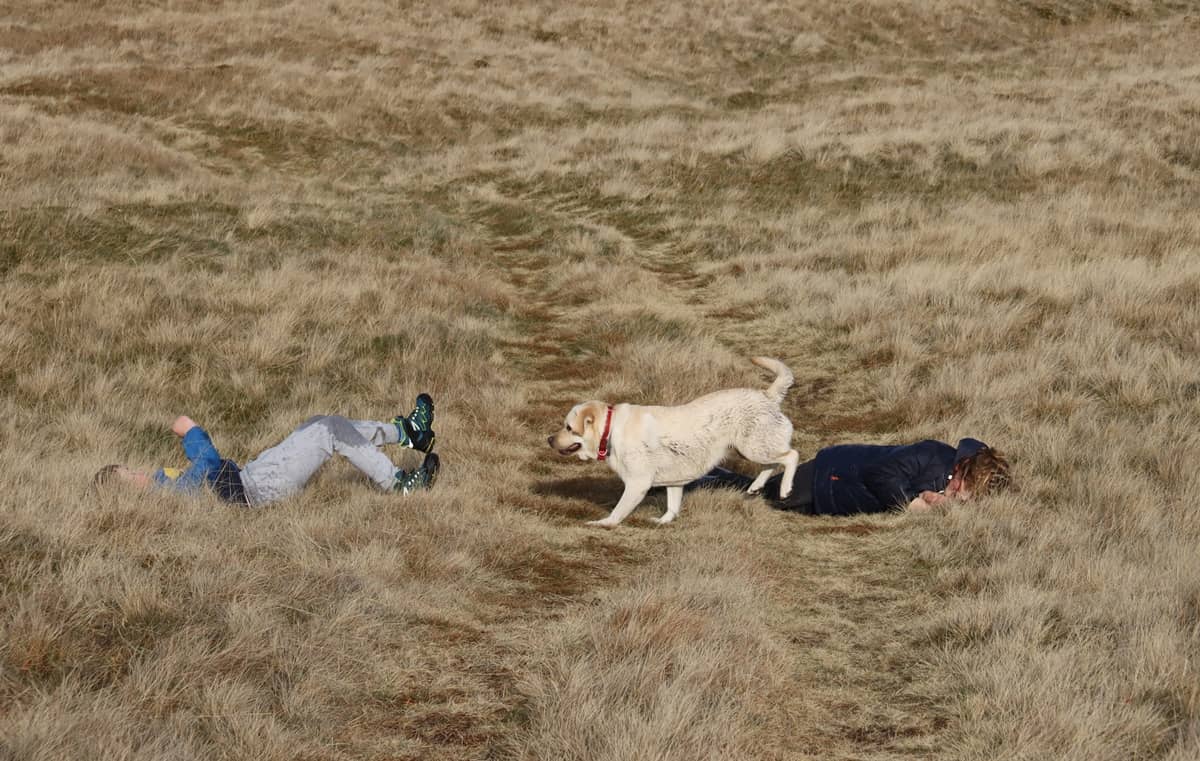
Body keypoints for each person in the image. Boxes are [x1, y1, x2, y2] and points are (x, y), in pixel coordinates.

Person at [93, 394, 440, 506]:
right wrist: (192, 432)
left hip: (255, 477)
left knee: (322, 423)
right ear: (126, 500)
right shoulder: (168, 497)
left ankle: (409, 433)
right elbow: (209, 466)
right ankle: (398, 484)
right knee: (327, 429)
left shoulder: (163, 488)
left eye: (129, 470)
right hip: (258, 486)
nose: (137, 475)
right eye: (128, 479)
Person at [689, 437, 1010, 515]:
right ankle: (692, 477)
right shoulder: (930, 454)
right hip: (833, 472)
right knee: (771, 498)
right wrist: (912, 502)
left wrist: (932, 499)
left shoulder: (948, 482)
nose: (961, 497)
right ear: (964, 469)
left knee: (768, 499)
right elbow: (881, 475)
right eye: (965, 488)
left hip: (840, 494)